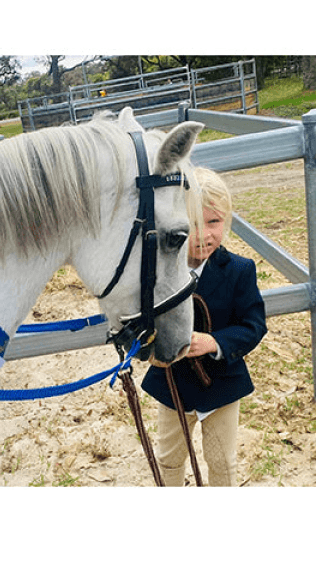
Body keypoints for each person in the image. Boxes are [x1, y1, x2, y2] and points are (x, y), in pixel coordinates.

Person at [141, 167, 267, 486]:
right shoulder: (158, 271)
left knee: (222, 461)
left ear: (226, 220)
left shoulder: (240, 270)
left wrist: (213, 343)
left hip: (223, 383)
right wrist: (149, 348)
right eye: (194, 224)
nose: (204, 235)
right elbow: (142, 321)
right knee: (168, 460)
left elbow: (253, 325)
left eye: (214, 222)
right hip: (172, 384)